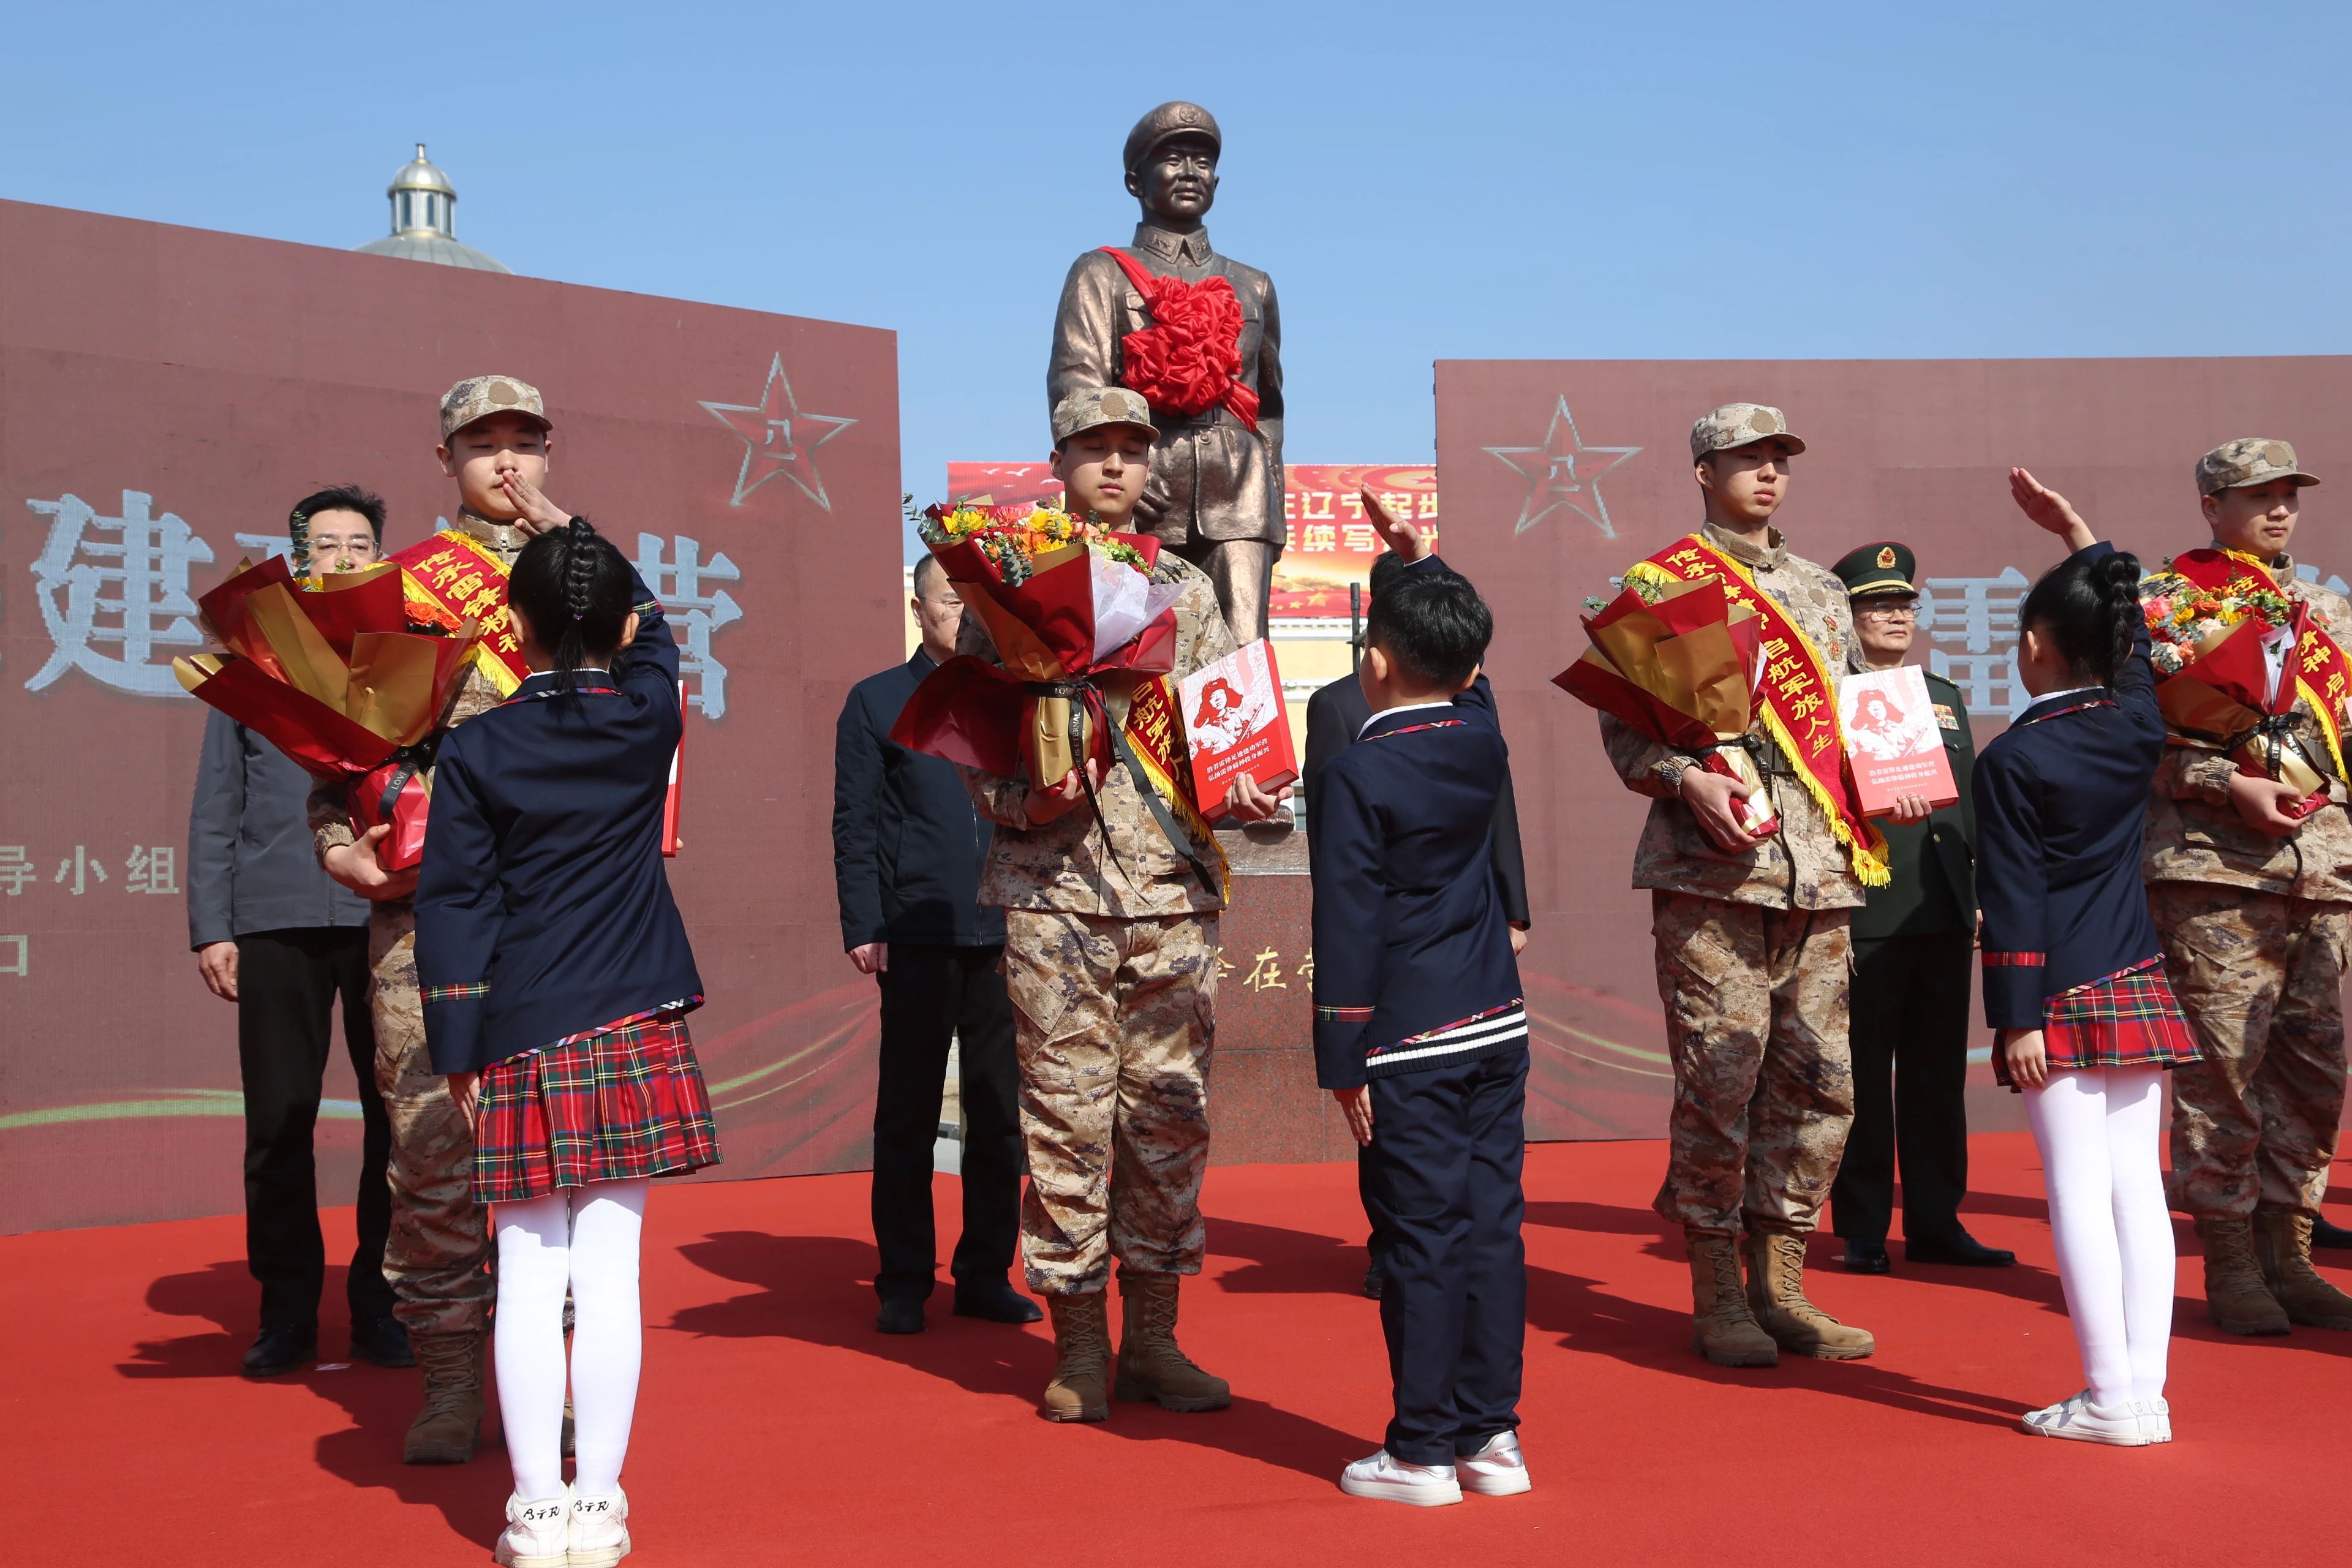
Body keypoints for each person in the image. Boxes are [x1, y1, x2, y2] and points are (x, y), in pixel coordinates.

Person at [956, 385, 1289, 1423]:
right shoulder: (1005, 591)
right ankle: (1079, 1345)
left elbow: (1233, 729)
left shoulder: (1189, 589)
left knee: (1168, 1119)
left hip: (1170, 895)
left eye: (1131, 451)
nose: (1114, 467)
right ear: (1059, 461)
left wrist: (1253, 790)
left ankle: (1154, 1338)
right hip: (1051, 894)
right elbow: (969, 741)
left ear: (1152, 469)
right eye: (1093, 449)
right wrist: (1028, 796)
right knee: (1064, 1122)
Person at [417, 519, 719, 1567]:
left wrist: (455, 1046)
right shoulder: (646, 716)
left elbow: (453, 903)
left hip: (517, 1026)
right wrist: (586, 544)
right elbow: (659, 638)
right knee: (615, 1276)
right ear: (622, 621)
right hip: (632, 1017)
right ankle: (602, 1506)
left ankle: (534, 1512)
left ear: (515, 629)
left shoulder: (478, 745)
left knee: (531, 1272)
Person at [1599, 403, 1920, 1367]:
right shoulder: (1658, 585)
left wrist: (1893, 782)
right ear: (1704, 470)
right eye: (1747, 458)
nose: (1768, 474)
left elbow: (1858, 718)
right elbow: (1628, 734)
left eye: (1780, 458)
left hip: (1821, 874)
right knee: (1720, 1078)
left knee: (1821, 1083)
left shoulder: (1826, 592)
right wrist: (1685, 775)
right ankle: (1714, 1291)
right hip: (1715, 874)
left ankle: (1783, 1285)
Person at [314, 375, 554, 1463]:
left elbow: (651, 717)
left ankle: (546, 1383)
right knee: (431, 1151)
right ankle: (451, 1382)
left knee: (553, 1163)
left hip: (559, 918)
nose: (506, 463)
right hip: (425, 920)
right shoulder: (403, 587)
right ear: (446, 459)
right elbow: (334, 761)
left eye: (525, 443)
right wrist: (338, 849)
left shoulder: (587, 576)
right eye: (483, 445)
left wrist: (576, 563)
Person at [1314, 500, 1531, 1507]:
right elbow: (1475, 691)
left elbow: (1349, 918)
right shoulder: (1482, 743)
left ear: (1376, 662)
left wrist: (1340, 1056)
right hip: (1498, 1022)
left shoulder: (1361, 769)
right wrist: (1425, 560)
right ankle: (1492, 1437)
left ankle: (1419, 1450)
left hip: (1409, 1038)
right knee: (1491, 1228)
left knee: (1422, 1236)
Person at [1979, 470, 2198, 1446]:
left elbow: (2015, 893)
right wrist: (2078, 532)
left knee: (2077, 1190)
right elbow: (2136, 637)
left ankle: (2111, 1397)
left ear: (2032, 648)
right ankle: (2141, 1394)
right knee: (2136, 1188)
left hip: (2058, 986)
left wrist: (2014, 1016)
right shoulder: (2135, 723)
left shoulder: (2014, 760)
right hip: (2137, 974)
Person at [189, 485, 405, 1376]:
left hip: (384, 911)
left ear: (382, 559)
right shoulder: (254, 669)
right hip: (275, 914)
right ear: (296, 560)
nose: (344, 557)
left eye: (360, 544)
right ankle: (284, 1315)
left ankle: (382, 1307)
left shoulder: (404, 663)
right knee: (281, 1120)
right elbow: (215, 809)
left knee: (397, 1121)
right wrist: (213, 924)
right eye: (327, 544)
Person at [2143, 439, 2352, 1336]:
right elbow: (2135, 747)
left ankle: (2289, 1254)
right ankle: (2229, 1260)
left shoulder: (2329, 614)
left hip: (2323, 870)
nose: (2278, 511)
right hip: (2216, 871)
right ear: (2210, 505)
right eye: (2255, 495)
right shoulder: (2167, 604)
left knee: (2312, 1073)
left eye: (2288, 496)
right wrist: (2223, 782)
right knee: (2222, 1071)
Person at [832, 554, 1036, 1335]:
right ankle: (904, 1278)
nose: (963, 615)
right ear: (920, 610)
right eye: (950, 602)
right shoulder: (879, 700)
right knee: (909, 1111)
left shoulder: (1014, 696)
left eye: (972, 603)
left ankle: (986, 1270)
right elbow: (855, 823)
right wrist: (864, 922)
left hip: (1006, 932)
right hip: (915, 931)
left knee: (999, 1115)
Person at [1826, 542, 2011, 1273]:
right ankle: (1864, 1229)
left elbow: (1966, 807)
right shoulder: (1829, 697)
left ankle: (1937, 1221)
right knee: (1864, 1075)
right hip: (1865, 908)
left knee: (1936, 1077)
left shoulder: (1941, 692)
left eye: (1904, 603)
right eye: (1878, 604)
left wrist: (1976, 897)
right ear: (1847, 614)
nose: (1897, 615)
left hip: (1940, 908)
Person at [1049, 101, 1286, 643]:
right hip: (1144, 486)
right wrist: (1122, 470)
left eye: (1202, 162)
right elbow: (1076, 382)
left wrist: (1275, 502)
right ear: (1136, 180)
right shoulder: (1100, 273)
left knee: (1245, 653)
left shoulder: (1255, 284)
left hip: (1241, 489)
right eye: (1172, 159)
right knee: (1136, 649)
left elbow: (1268, 407)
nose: (1189, 173)